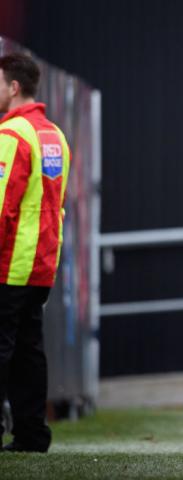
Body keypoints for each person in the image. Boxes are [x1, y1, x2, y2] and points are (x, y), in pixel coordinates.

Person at [0, 52, 71, 452]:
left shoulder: (10, 136)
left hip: (9, 262)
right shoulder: (54, 135)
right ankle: (31, 434)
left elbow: (2, 207)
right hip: (41, 264)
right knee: (29, 350)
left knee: (7, 347)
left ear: (13, 87)